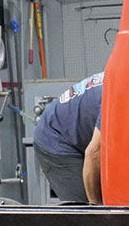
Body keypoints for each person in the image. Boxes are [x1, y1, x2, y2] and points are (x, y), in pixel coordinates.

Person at [31, 72, 104, 205]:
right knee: (84, 213)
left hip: (80, 137)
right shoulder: (120, 95)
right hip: (55, 139)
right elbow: (93, 153)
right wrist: (98, 214)